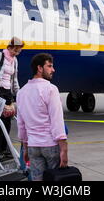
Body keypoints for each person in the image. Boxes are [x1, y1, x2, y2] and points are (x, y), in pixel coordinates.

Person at [16, 53, 68, 181]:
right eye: (49, 66)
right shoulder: (50, 89)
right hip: (50, 144)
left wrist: (25, 148)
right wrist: (64, 148)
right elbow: (57, 120)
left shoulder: (21, 92)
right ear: (39, 68)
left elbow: (21, 124)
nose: (53, 70)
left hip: (33, 146)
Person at [0, 37, 24, 158]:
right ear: (9, 47)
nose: (16, 53)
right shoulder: (0, 55)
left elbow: (15, 79)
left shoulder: (15, 60)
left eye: (18, 51)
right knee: (0, 122)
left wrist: (19, 94)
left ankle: (4, 148)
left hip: (8, 92)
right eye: (15, 50)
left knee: (7, 122)